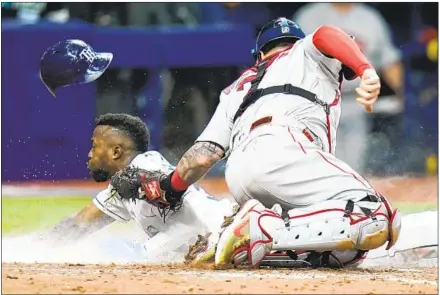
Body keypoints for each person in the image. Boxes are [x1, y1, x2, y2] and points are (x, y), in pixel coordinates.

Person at [110, 17, 402, 269]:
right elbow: (327, 33)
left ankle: (232, 240)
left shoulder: (236, 88)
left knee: (345, 251)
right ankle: (259, 229)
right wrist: (365, 69)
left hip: (239, 175)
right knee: (376, 215)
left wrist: (168, 188)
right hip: (286, 150)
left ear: (259, 54)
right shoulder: (306, 52)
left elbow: (202, 157)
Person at [38, 113, 236, 263]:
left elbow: (163, 182)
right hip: (204, 243)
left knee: (117, 252)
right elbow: (79, 223)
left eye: (94, 146)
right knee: (111, 249)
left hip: (228, 229)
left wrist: (142, 182)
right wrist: (35, 247)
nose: (90, 154)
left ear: (116, 152)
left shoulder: (147, 163)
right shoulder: (119, 189)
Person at [293, 3, 405, 174]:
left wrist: (399, 93)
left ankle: (351, 198)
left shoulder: (370, 18)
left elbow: (388, 59)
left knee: (355, 162)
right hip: (317, 100)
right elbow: (292, 59)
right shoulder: (309, 15)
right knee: (320, 163)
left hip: (356, 100)